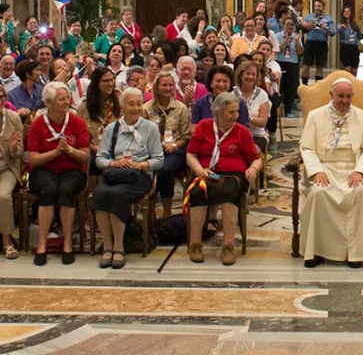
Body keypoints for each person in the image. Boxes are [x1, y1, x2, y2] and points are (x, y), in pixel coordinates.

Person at [298, 78, 363, 268]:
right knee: (318, 192)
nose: (344, 101)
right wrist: (317, 171)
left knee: (359, 191)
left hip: (353, 168)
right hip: (325, 167)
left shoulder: (362, 117)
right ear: (331, 95)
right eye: (340, 96)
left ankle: (355, 253)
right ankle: (316, 250)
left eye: (348, 96)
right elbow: (307, 148)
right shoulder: (315, 116)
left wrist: (360, 171)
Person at [185, 91, 262, 264]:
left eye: (237, 111)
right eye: (231, 112)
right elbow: (191, 155)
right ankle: (195, 244)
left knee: (229, 193)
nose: (236, 116)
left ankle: (228, 246)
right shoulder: (204, 127)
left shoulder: (242, 132)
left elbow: (256, 158)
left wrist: (253, 169)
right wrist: (198, 170)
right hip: (206, 172)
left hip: (233, 175)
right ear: (219, 113)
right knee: (198, 192)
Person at [93, 88, 164, 269]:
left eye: (139, 104)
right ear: (122, 106)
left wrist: (140, 165)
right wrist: (113, 164)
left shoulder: (151, 128)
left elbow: (159, 159)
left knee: (117, 195)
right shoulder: (112, 129)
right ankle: (107, 247)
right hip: (116, 174)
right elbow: (100, 159)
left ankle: (118, 247)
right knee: (100, 194)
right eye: (131, 104)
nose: (136, 108)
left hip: (138, 176)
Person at [27, 82, 89, 266]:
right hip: (44, 169)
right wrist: (54, 153)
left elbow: (85, 156)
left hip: (72, 170)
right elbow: (33, 159)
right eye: (61, 99)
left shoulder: (77, 122)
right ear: (49, 102)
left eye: (67, 98)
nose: (66, 102)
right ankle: (42, 244)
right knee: (48, 191)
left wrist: (69, 150)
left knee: (66, 190)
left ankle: (67, 242)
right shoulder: (38, 124)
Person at [143, 72, 191, 219]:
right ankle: (149, 208)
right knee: (148, 168)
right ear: (156, 87)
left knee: (164, 168)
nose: (168, 88)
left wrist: (175, 145)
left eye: (170, 85)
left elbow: (186, 136)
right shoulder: (146, 108)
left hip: (175, 150)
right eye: (164, 85)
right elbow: (143, 134)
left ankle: (166, 211)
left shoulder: (181, 108)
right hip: (152, 149)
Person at [78, 67, 121, 175]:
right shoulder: (85, 107)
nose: (110, 84)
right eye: (106, 81)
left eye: (112, 80)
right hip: (93, 150)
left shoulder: (120, 105)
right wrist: (93, 147)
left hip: (116, 150)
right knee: (91, 161)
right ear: (96, 83)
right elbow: (79, 134)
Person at [0, 84, 23, 259]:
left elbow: (19, 153)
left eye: (2, 97)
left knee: (2, 196)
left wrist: (13, 147)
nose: (0, 101)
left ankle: (7, 241)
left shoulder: (13, 118)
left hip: (7, 167)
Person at [192, 65, 249, 131]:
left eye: (225, 81)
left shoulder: (239, 103)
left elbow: (244, 131)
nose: (221, 84)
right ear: (211, 83)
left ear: (230, 84)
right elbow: (194, 128)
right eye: (218, 81)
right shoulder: (201, 103)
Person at [233, 60, 270, 152]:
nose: (250, 77)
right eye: (247, 74)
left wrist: (247, 118)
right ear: (241, 75)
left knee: (250, 151)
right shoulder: (232, 93)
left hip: (257, 136)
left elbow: (263, 122)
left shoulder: (262, 94)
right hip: (235, 134)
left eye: (253, 74)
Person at [302, 0, 335, 85]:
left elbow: (332, 33)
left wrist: (325, 27)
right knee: (306, 66)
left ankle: (318, 85)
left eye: (319, 6)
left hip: (322, 44)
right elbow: (303, 30)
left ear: (323, 7)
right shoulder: (309, 17)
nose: (317, 8)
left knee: (320, 67)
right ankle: (304, 85)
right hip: (310, 43)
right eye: (315, 6)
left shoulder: (328, 18)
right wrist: (307, 26)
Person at [276, 16, 303, 117]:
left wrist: (296, 42)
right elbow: (277, 49)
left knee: (290, 88)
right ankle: (278, 109)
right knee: (280, 87)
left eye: (291, 24)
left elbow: (300, 52)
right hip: (280, 63)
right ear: (283, 25)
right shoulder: (278, 35)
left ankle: (288, 110)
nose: (289, 26)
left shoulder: (296, 37)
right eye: (287, 24)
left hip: (292, 64)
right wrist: (285, 41)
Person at [338, 6, 362, 75]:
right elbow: (337, 30)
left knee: (354, 71)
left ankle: (354, 84)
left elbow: (359, 36)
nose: (346, 13)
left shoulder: (355, 25)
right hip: (345, 48)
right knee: (348, 70)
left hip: (354, 48)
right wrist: (341, 27)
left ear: (351, 13)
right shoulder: (340, 24)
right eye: (345, 11)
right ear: (342, 13)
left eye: (348, 11)